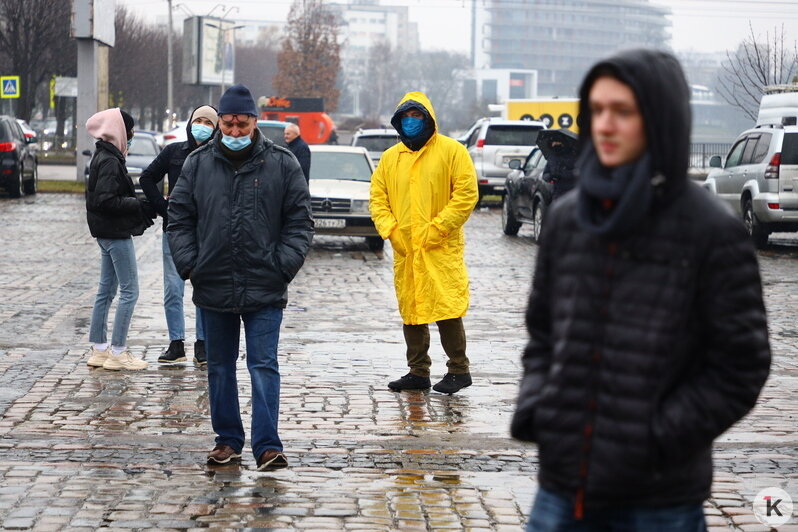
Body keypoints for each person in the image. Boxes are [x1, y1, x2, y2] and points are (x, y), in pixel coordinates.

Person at [511, 49, 771, 531]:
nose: (605, 125)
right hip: (562, 489)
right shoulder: (568, 220)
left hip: (657, 501)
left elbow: (741, 365)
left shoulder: (710, 230)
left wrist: (658, 437)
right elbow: (543, 335)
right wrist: (538, 408)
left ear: (658, 119)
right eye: (597, 110)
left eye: (623, 112)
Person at [167, 84, 313, 470]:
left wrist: (283, 265)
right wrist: (191, 265)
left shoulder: (282, 163)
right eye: (228, 124)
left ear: (254, 122)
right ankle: (227, 440)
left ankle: (267, 444)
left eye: (241, 124)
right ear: (220, 124)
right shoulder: (198, 164)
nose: (234, 132)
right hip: (213, 283)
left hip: (265, 284)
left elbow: (300, 221)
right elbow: (179, 218)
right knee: (219, 366)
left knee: (263, 365)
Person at [370, 91, 478, 395]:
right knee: (412, 308)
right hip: (406, 247)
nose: (412, 122)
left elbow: (466, 195)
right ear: (398, 121)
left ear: (429, 119)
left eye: (417, 116)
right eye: (406, 117)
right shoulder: (391, 158)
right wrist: (391, 230)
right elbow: (378, 198)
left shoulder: (452, 151)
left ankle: (459, 369)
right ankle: (418, 371)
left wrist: (439, 228)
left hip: (440, 247)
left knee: (446, 307)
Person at [139, 106, 219, 367]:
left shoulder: (218, 154)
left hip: (207, 232)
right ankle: (176, 343)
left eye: (209, 122)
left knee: (204, 288)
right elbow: (147, 177)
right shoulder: (175, 151)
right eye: (199, 120)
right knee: (173, 289)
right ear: (190, 123)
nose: (203, 126)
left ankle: (203, 344)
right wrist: (163, 208)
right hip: (175, 231)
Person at [85, 108, 155, 371]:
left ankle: (99, 348)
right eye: (130, 130)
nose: (132, 135)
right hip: (114, 233)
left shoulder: (104, 155)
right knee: (130, 291)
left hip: (104, 232)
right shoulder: (111, 160)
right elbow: (105, 200)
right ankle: (118, 351)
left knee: (106, 290)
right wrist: (137, 204)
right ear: (119, 131)